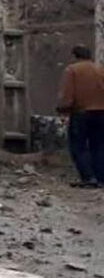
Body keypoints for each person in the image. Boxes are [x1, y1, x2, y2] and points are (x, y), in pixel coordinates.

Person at [57, 45, 104, 187]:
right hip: (101, 113)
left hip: (81, 113)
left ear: (74, 56)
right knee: (99, 146)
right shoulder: (100, 69)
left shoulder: (72, 70)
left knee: (79, 146)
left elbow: (67, 94)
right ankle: (100, 178)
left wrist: (63, 110)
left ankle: (88, 178)